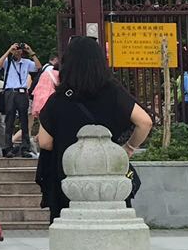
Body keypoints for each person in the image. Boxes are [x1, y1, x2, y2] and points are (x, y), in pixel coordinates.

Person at [36, 35, 153, 221]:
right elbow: (145, 122)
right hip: (107, 174)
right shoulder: (113, 91)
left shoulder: (58, 99)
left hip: (70, 178)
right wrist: (128, 148)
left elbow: (45, 142)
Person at [0, 42, 41, 158]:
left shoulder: (26, 63)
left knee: (24, 120)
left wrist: (31, 52)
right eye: (16, 50)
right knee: (9, 120)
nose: (17, 52)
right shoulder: (8, 62)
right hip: (10, 91)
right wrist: (9, 50)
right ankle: (8, 148)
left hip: (22, 92)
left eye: (19, 50)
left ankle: (25, 147)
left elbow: (38, 67)